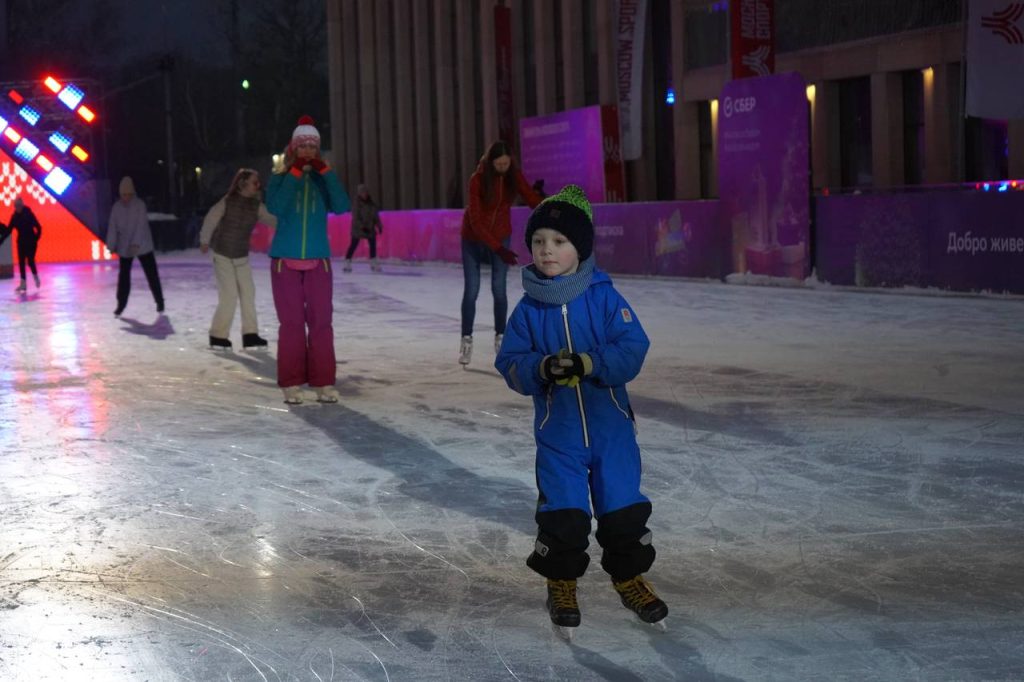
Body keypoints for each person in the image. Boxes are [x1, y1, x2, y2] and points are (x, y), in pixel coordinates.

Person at [494, 185, 668, 634]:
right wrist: (543, 367)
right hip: (560, 436)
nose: (546, 251)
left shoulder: (606, 298)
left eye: (558, 242)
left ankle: (630, 578)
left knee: (623, 509)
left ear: (580, 248)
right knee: (564, 514)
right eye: (538, 242)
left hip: (611, 431)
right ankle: (561, 582)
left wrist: (591, 363)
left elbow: (633, 347)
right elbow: (511, 363)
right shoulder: (528, 310)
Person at [265, 115, 350, 405]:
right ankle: (291, 383)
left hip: (318, 261)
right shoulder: (280, 177)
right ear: (293, 147)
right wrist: (295, 174)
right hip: (284, 260)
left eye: (313, 147)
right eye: (303, 146)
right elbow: (275, 207)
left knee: (321, 322)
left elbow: (342, 206)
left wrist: (327, 173)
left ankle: (323, 382)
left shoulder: (321, 180)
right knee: (291, 324)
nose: (308, 152)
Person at [459, 140, 542, 366]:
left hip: (501, 235)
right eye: (500, 164)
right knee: (472, 290)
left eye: (507, 163)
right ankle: (466, 339)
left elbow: (530, 197)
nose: (504, 167)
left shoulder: (513, 175)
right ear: (491, 161)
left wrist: (549, 205)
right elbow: (475, 220)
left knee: (499, 289)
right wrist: (498, 248)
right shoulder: (477, 180)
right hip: (473, 239)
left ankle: (501, 337)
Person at [199, 168, 277, 350]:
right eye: (255, 182)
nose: (259, 186)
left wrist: (292, 223)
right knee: (229, 296)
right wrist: (204, 239)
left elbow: (273, 220)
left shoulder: (256, 206)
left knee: (248, 293)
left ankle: (250, 335)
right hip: (223, 255)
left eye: (259, 183)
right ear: (243, 184)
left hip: (241, 257)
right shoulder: (228, 201)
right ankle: (218, 335)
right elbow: (211, 218)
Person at [106, 177, 164, 316]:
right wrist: (111, 244)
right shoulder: (117, 208)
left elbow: (141, 226)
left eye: (128, 194)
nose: (126, 197)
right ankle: (121, 304)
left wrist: (136, 244)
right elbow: (113, 227)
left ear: (132, 193)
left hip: (143, 245)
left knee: (151, 274)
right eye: (123, 195)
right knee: (124, 277)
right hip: (125, 247)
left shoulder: (139, 205)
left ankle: (159, 301)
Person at [0, 197, 42, 293]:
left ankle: (35, 277)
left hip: (31, 241)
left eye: (19, 206)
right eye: (16, 206)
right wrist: (1, 240)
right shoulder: (14, 217)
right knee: (21, 262)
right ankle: (23, 284)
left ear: (22, 206)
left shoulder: (28, 214)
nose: (17, 208)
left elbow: (38, 227)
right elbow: (8, 231)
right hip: (21, 242)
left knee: (30, 261)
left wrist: (36, 238)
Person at [343, 183, 383, 273]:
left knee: (372, 245)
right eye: (362, 192)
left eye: (365, 192)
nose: (364, 194)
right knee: (354, 244)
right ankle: (347, 262)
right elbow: (356, 217)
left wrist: (379, 225)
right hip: (358, 229)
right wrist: (362, 227)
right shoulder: (356, 204)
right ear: (359, 194)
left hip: (369, 228)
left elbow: (375, 216)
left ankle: (373, 262)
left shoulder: (371, 203)